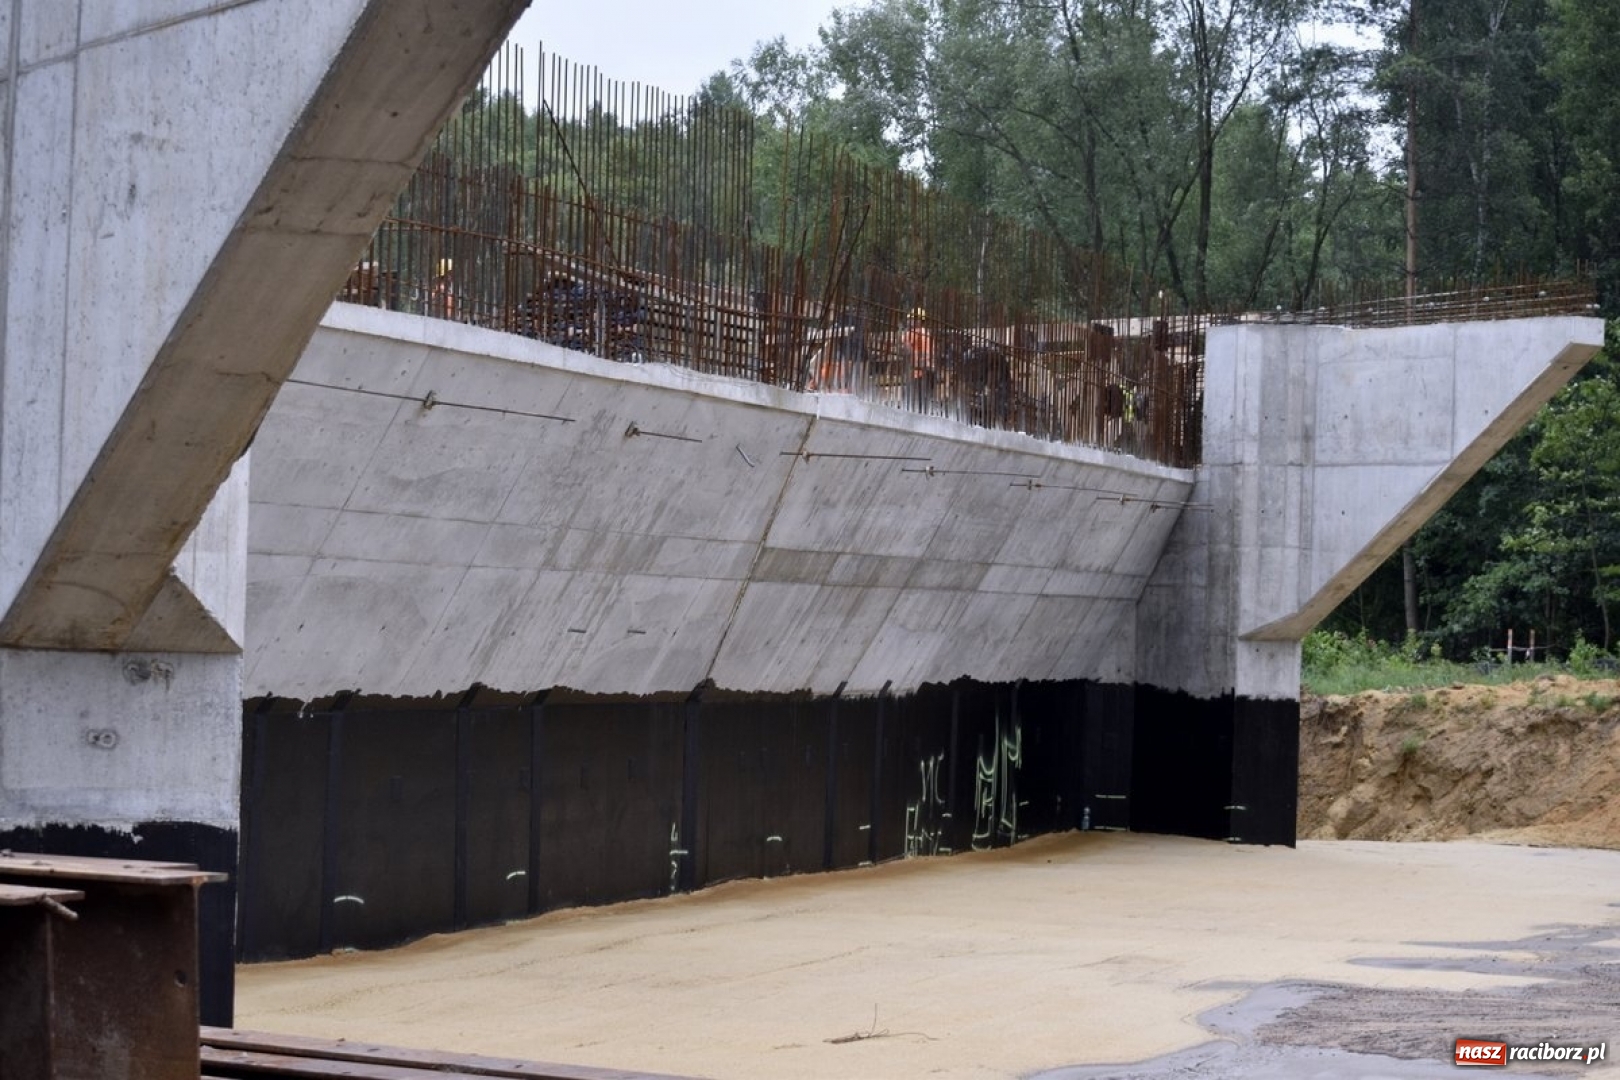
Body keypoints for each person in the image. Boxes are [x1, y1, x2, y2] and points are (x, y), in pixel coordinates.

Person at [903, 307, 937, 410]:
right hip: (930, 371)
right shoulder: (927, 333)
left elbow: (906, 351)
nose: (909, 321)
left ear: (918, 320)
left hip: (918, 372)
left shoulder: (911, 333)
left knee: (913, 403)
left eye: (911, 319)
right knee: (925, 403)